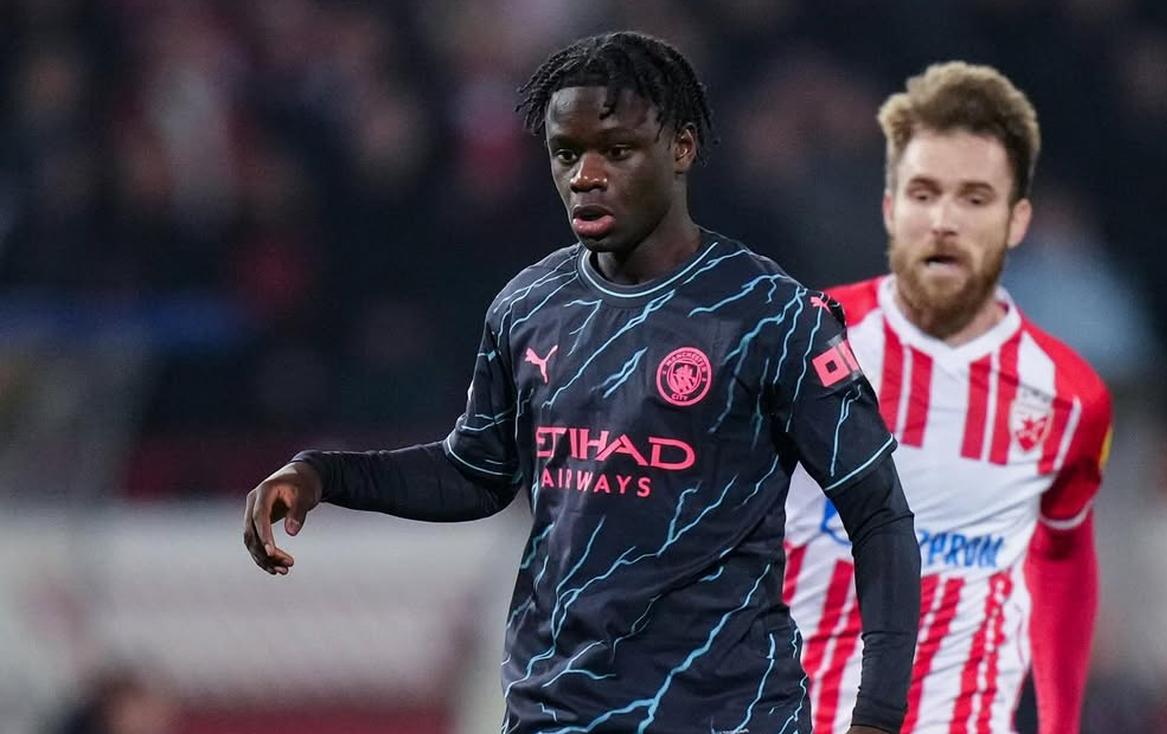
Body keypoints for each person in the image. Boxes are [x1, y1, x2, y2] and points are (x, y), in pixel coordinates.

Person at [242, 31, 921, 734]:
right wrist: (322, 474)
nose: (585, 175)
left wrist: (877, 713)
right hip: (554, 715)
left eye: (616, 151)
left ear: (681, 149)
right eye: (567, 153)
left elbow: (878, 511)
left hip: (724, 716)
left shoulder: (769, 313)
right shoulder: (527, 307)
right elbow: (475, 472)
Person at [785, 62, 1112, 734]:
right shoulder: (799, 343)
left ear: (1017, 220)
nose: (943, 221)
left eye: (974, 198)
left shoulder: (1070, 397)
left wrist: (1059, 724)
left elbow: (1064, 553)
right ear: (889, 208)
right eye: (924, 193)